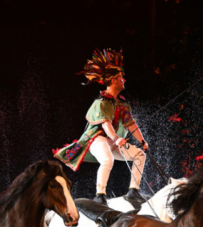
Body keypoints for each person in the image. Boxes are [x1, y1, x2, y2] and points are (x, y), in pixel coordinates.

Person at [53, 49, 148, 205]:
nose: (124, 80)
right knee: (107, 159)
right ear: (114, 80)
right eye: (121, 77)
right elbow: (106, 124)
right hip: (97, 140)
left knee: (140, 155)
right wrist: (117, 138)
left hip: (113, 141)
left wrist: (142, 142)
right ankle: (100, 194)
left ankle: (133, 191)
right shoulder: (101, 102)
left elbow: (131, 124)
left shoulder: (122, 104)